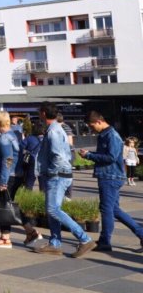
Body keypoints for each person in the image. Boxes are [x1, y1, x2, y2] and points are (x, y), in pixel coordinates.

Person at [34, 102, 95, 257]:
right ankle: (55, 243)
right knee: (52, 209)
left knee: (53, 209)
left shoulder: (53, 131)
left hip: (57, 175)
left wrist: (52, 171)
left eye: (40, 113)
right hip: (59, 174)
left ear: (43, 114)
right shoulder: (56, 129)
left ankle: (84, 239)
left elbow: (58, 156)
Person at [79, 111, 143, 252]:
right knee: (114, 210)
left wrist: (89, 155)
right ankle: (141, 234)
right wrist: (90, 155)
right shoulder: (106, 134)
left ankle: (105, 241)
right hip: (110, 176)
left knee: (106, 209)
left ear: (98, 122)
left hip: (110, 177)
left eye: (91, 126)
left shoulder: (111, 135)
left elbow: (111, 157)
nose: (91, 129)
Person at [0, 110, 22, 248]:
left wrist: (3, 181)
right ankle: (30, 231)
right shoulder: (13, 135)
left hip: (6, 176)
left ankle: (5, 238)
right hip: (14, 174)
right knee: (8, 205)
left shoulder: (3, 138)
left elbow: (7, 159)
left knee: (3, 206)